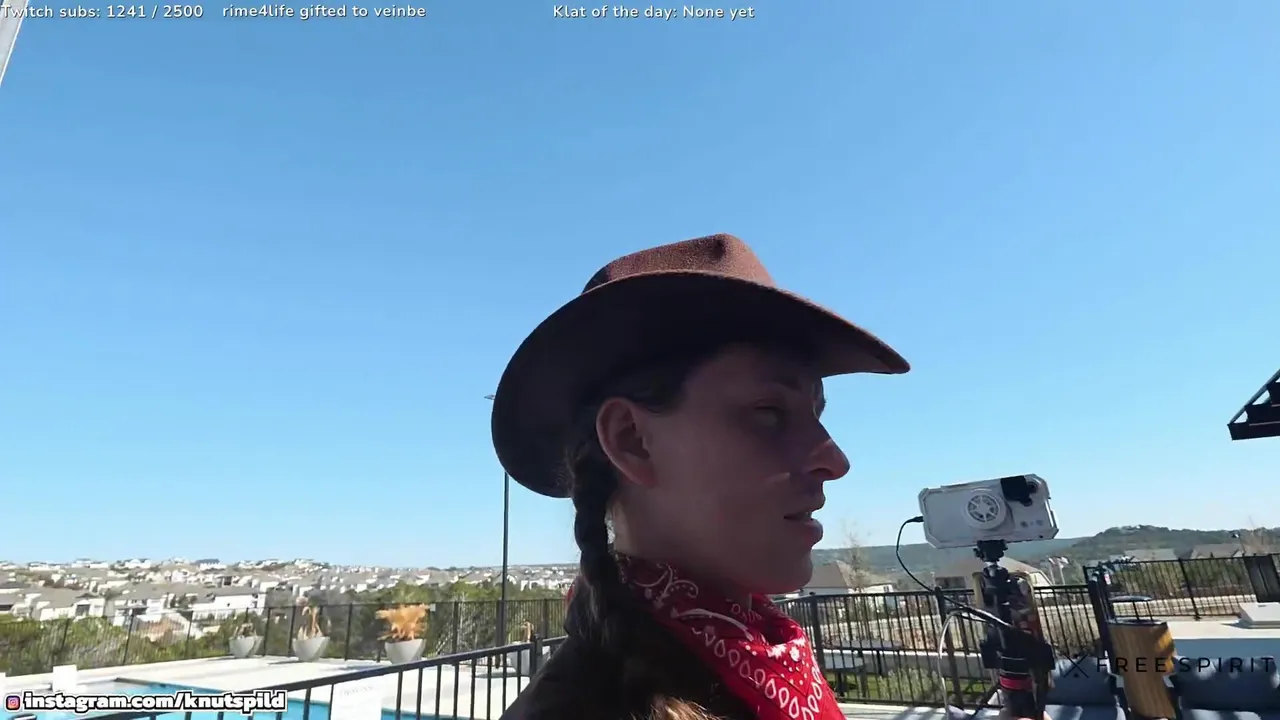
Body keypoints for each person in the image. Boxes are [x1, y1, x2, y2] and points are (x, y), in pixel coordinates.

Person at [491, 234, 910, 720]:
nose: (835, 461)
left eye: (816, 414)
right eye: (769, 413)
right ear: (632, 440)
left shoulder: (770, 666)